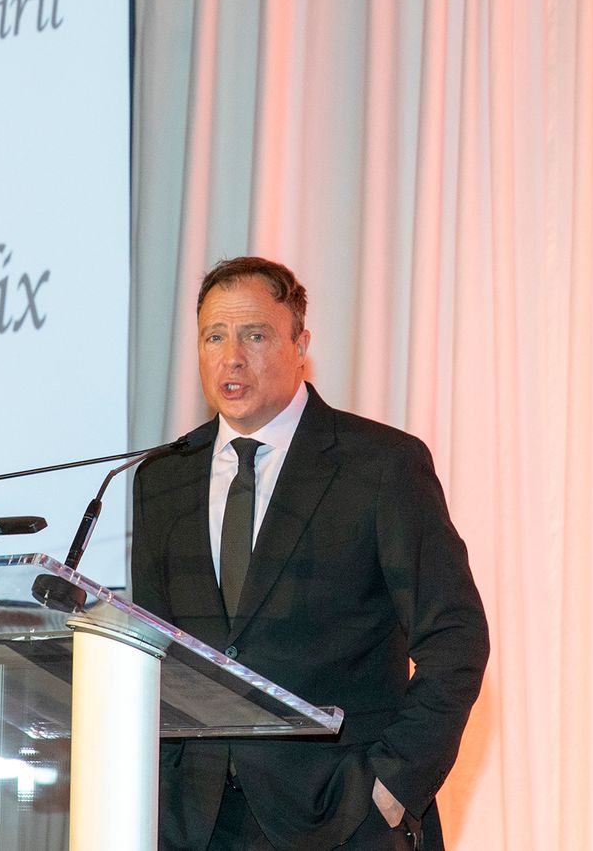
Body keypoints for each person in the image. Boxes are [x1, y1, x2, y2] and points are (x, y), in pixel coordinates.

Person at [132, 257, 488, 850]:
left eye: (255, 335)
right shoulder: (163, 477)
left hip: (341, 814)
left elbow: (455, 636)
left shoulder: (380, 464)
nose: (231, 357)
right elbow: (152, 651)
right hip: (194, 823)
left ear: (301, 345)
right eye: (214, 337)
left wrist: (393, 785)